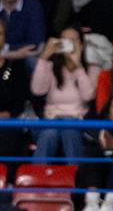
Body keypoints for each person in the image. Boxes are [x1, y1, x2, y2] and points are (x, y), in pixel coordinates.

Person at [31, 28, 98, 164]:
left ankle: (75, 175)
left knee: (69, 130)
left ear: (81, 44)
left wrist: (78, 66)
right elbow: (37, 90)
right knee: (49, 134)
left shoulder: (92, 68)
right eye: (65, 40)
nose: (69, 44)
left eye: (73, 40)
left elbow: (88, 96)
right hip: (51, 120)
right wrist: (44, 58)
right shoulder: (51, 66)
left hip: (78, 121)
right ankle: (37, 174)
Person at [0, 20, 29, 165]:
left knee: (10, 133)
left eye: (0, 34)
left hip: (7, 122)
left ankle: (8, 177)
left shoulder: (16, 66)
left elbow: (19, 101)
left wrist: (8, 114)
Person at [0, 0, 46, 67]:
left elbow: (36, 43)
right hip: (11, 53)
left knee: (34, 59)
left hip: (25, 56)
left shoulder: (33, 6)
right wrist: (12, 54)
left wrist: (4, 49)